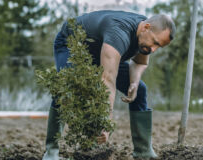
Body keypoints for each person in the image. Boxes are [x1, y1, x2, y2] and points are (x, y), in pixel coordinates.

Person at [42, 10, 176, 159]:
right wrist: (106, 121)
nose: (153, 49)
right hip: (72, 45)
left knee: (141, 90)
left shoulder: (145, 36)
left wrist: (134, 82)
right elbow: (108, 79)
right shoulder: (119, 32)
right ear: (146, 27)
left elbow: (139, 62)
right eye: (155, 42)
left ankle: (143, 151)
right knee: (66, 89)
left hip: (102, 52)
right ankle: (51, 151)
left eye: (159, 46)